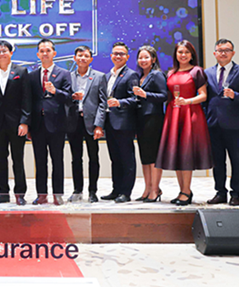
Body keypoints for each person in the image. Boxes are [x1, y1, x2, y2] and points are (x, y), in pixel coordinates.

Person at [155, 40, 212, 205]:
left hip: (190, 114)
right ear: (176, 54)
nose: (183, 55)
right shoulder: (170, 72)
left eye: (187, 52)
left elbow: (204, 95)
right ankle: (182, 191)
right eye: (180, 52)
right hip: (173, 114)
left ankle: (186, 191)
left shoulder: (197, 71)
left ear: (192, 55)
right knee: (177, 153)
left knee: (186, 152)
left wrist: (188, 101)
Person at [204, 39, 239, 206]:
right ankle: (220, 192)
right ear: (214, 53)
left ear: (233, 53)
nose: (223, 53)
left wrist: (235, 95)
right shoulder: (208, 72)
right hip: (213, 124)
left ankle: (236, 193)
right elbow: (206, 98)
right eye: (220, 50)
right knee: (217, 162)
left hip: (234, 124)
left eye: (227, 50)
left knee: (236, 160)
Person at [0, 40, 31, 206]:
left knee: (18, 158)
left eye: (5, 50)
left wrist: (24, 122)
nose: (2, 53)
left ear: (11, 53)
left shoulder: (21, 71)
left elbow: (27, 98)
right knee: (0, 159)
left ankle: (20, 193)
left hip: (17, 123)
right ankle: (2, 193)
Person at [28, 39, 71, 205]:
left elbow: (69, 98)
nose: (45, 53)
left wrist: (55, 91)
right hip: (37, 125)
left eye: (48, 50)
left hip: (57, 124)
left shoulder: (64, 73)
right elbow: (28, 101)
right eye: (41, 51)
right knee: (40, 161)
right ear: (38, 54)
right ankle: (41, 194)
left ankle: (58, 194)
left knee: (57, 160)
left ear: (54, 53)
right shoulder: (32, 76)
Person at [66, 45, 107, 203]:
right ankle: (77, 190)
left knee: (93, 157)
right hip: (74, 121)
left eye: (86, 56)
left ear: (91, 59)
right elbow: (63, 98)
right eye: (79, 55)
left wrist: (99, 125)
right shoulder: (68, 76)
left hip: (92, 123)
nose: (82, 58)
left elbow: (103, 103)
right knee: (76, 158)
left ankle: (92, 191)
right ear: (74, 58)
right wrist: (72, 97)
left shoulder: (99, 76)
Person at [101, 41, 139, 203]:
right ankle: (116, 190)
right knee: (115, 158)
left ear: (127, 57)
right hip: (109, 123)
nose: (118, 56)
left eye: (121, 54)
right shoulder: (107, 75)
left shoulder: (131, 75)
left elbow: (136, 99)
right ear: (111, 56)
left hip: (124, 123)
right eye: (115, 53)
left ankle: (125, 192)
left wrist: (120, 102)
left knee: (126, 159)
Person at [133, 45, 167, 202]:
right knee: (144, 156)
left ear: (153, 59)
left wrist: (145, 94)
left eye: (146, 57)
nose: (143, 60)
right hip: (140, 118)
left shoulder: (157, 75)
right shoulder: (139, 76)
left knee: (153, 156)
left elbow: (164, 96)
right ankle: (147, 189)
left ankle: (155, 189)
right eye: (140, 57)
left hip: (153, 119)